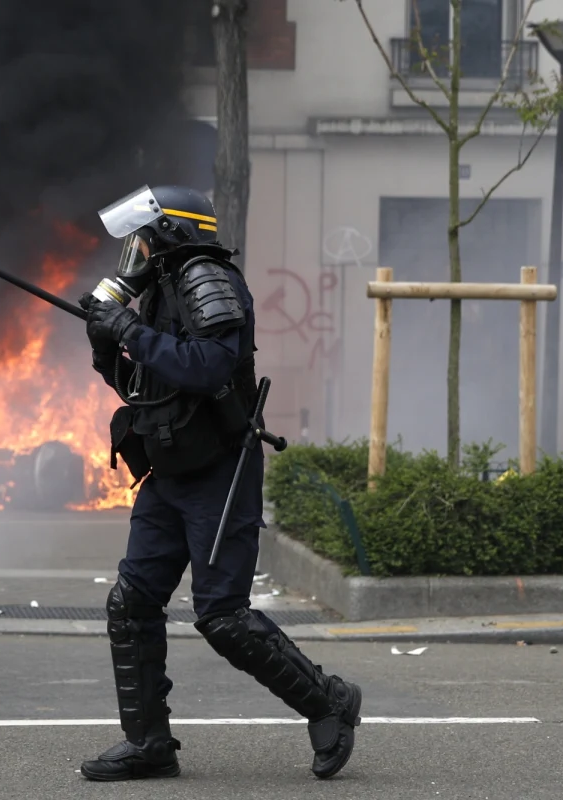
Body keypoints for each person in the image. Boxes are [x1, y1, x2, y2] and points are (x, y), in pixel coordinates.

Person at [76, 185, 362, 782]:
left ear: (171, 233)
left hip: (216, 474)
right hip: (167, 470)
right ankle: (149, 744)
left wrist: (128, 327)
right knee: (130, 603)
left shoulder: (211, 279)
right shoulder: (155, 292)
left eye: (144, 235)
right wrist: (109, 346)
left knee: (223, 617)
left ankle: (329, 701)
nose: (136, 248)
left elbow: (206, 369)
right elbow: (143, 385)